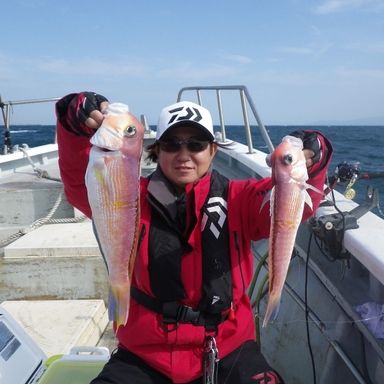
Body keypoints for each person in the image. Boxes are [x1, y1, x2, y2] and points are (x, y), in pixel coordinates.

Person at [56, 91, 333, 384]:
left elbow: (292, 203)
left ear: (213, 151)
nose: (184, 154)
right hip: (144, 354)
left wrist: (315, 158)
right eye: (172, 144)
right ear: (156, 150)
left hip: (229, 347)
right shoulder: (127, 197)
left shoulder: (240, 198)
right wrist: (72, 125)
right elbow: (78, 185)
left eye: (196, 144)